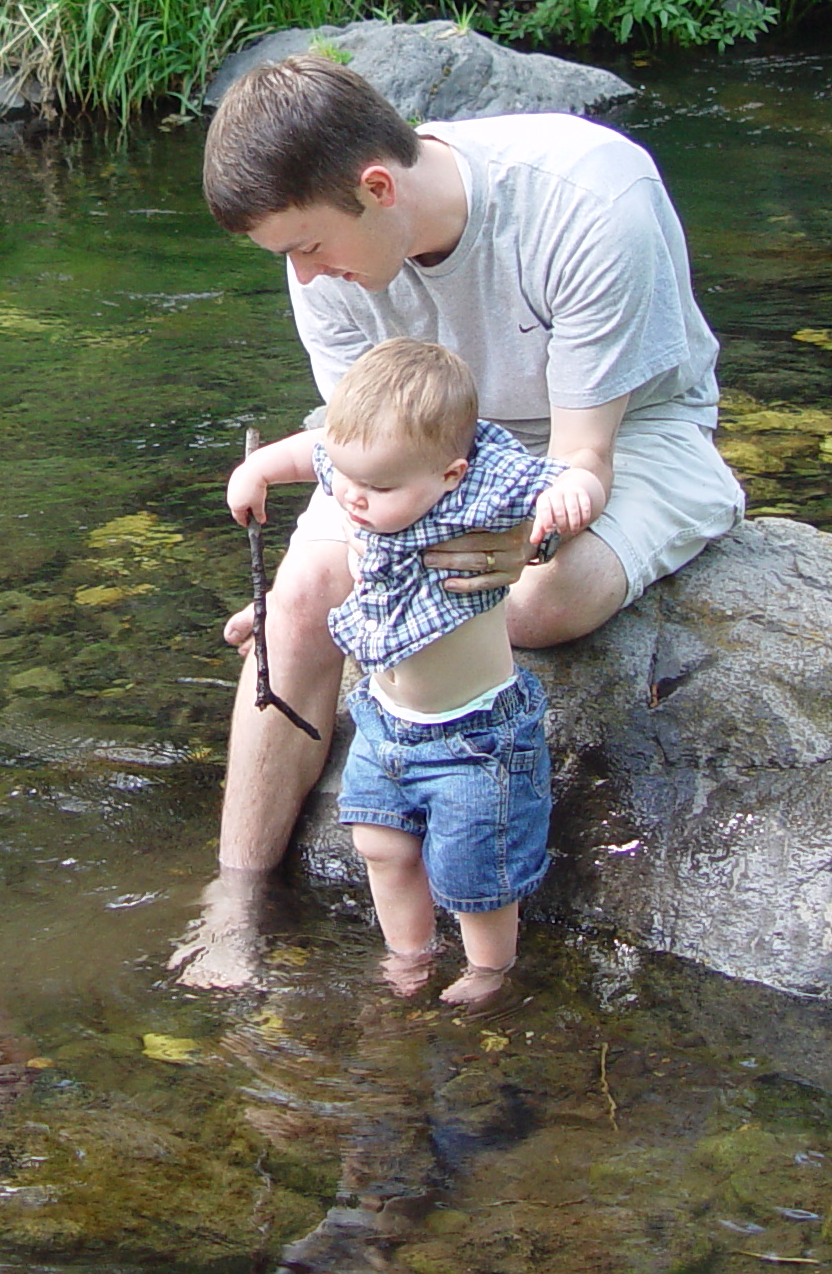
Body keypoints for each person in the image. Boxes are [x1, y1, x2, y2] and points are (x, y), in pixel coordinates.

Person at [176, 54, 743, 988]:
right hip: (421, 447)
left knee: (542, 597)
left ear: (377, 187)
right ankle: (237, 902)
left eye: (308, 248)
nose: (306, 279)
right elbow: (363, 446)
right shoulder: (326, 261)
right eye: (287, 257)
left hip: (625, 431)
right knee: (299, 602)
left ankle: (363, 641)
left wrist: (395, 592)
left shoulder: (590, 202)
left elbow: (579, 465)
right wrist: (317, 591)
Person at [230, 339, 586, 1002]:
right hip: (384, 720)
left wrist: (572, 497)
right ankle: (410, 954)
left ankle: (489, 968)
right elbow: (307, 452)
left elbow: (567, 477)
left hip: (475, 736)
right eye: (347, 478)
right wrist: (255, 474)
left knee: (475, 872)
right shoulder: (361, 470)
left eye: (378, 486)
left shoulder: (484, 485)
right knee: (378, 845)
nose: (353, 498)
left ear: (449, 474)